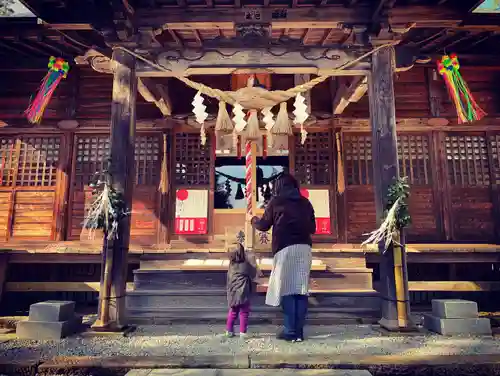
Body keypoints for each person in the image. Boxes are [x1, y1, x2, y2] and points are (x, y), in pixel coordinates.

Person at [248, 173, 315, 342]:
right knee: (300, 290)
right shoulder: (305, 203)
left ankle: (290, 331)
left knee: (287, 289)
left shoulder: (276, 202)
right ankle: (298, 332)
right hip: (304, 248)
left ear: (278, 187)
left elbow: (263, 225)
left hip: (285, 249)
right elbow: (313, 228)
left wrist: (252, 219)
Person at [225, 242, 258, 338]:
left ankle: (229, 331)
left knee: (233, 312)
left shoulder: (231, 265)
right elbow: (253, 273)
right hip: (243, 293)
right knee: (244, 312)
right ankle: (243, 332)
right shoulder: (245, 265)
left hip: (233, 293)